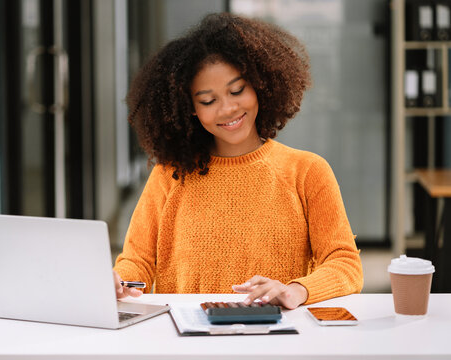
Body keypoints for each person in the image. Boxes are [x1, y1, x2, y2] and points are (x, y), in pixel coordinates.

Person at [112, 12, 363, 309]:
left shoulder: (307, 171)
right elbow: (136, 262)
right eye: (208, 101)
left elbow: (345, 263)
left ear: (259, 84)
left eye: (237, 90)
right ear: (190, 108)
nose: (228, 109)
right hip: (190, 342)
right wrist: (117, 280)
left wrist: (296, 290)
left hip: (276, 338)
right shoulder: (170, 174)